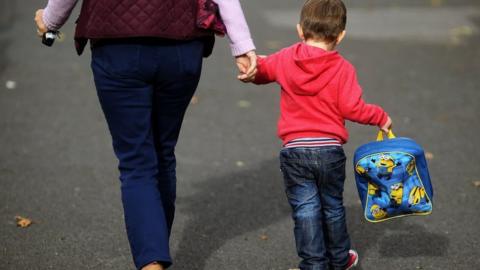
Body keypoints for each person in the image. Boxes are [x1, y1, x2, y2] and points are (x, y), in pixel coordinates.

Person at [34, 1, 257, 270]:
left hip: (118, 45)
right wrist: (242, 44)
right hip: (181, 45)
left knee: (137, 161)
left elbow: (58, 11)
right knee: (163, 152)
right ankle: (155, 256)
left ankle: (152, 262)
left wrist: (51, 19)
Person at [242, 0, 392, 269]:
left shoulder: (287, 57)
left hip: (295, 150)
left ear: (300, 30)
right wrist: (380, 116)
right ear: (341, 35)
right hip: (329, 151)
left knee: (305, 210)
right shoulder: (342, 68)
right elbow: (352, 108)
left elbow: (262, 71)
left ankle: (313, 263)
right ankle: (338, 258)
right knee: (333, 207)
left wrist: (251, 65)